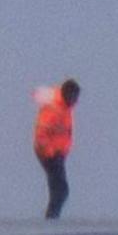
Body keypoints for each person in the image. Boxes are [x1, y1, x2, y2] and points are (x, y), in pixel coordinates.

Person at [34, 78, 81, 219]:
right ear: (67, 94)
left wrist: (62, 152)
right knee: (60, 191)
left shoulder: (66, 108)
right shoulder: (54, 109)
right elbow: (41, 133)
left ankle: (52, 219)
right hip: (49, 153)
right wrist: (50, 153)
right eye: (74, 96)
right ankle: (51, 221)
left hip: (58, 153)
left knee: (60, 191)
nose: (76, 100)